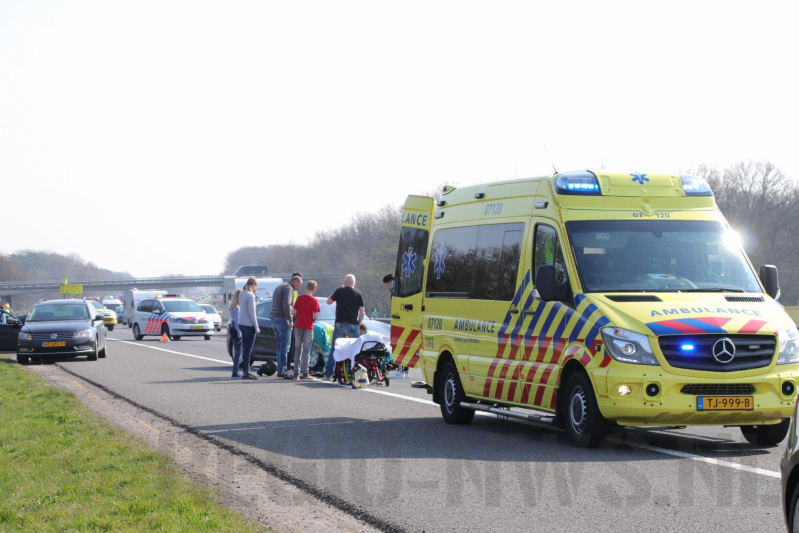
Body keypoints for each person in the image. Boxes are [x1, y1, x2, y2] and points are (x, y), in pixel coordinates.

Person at [325, 274, 365, 380]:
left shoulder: (339, 291)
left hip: (339, 324)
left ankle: (329, 374)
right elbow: (362, 312)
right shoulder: (358, 294)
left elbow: (328, 302)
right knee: (357, 350)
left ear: (345, 282)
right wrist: (359, 323)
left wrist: (336, 290)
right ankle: (357, 375)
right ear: (354, 283)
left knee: (334, 349)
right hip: (353, 325)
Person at [272, 274, 303, 378]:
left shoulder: (279, 287)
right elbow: (287, 305)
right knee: (285, 347)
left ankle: (280, 369)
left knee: (279, 346)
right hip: (282, 319)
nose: (299, 287)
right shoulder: (289, 289)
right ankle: (283, 369)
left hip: (274, 318)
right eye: (299, 284)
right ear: (294, 282)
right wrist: (290, 320)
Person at [292, 280, 320, 380]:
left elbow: (293, 312)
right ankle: (305, 373)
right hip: (308, 327)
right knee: (307, 351)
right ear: (314, 290)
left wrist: (299, 316)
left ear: (306, 288)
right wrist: (311, 319)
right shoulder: (314, 301)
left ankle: (296, 372)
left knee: (298, 349)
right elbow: (315, 316)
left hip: (299, 325)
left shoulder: (299, 298)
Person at [238, 277, 260, 380]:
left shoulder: (241, 293)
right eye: (256, 286)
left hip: (241, 323)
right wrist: (256, 327)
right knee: (248, 350)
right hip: (249, 325)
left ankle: (245, 371)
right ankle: (246, 372)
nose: (256, 288)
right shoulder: (250, 296)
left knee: (245, 349)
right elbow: (252, 313)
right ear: (253, 284)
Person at [228, 289, 244, 378]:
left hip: (232, 327)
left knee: (236, 350)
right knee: (238, 351)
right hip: (235, 327)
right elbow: (237, 322)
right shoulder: (237, 307)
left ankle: (235, 370)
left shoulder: (233, 306)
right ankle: (235, 371)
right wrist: (239, 332)